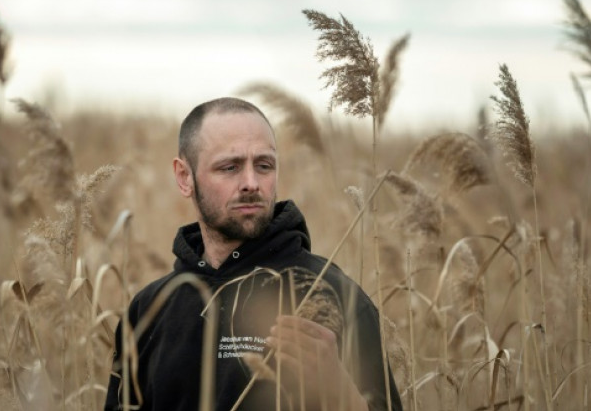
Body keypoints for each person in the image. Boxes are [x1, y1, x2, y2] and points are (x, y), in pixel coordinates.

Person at [105, 97, 402, 411]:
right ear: (184, 177)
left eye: (264, 165)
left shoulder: (331, 294)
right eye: (229, 167)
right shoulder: (150, 310)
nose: (251, 183)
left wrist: (340, 393)